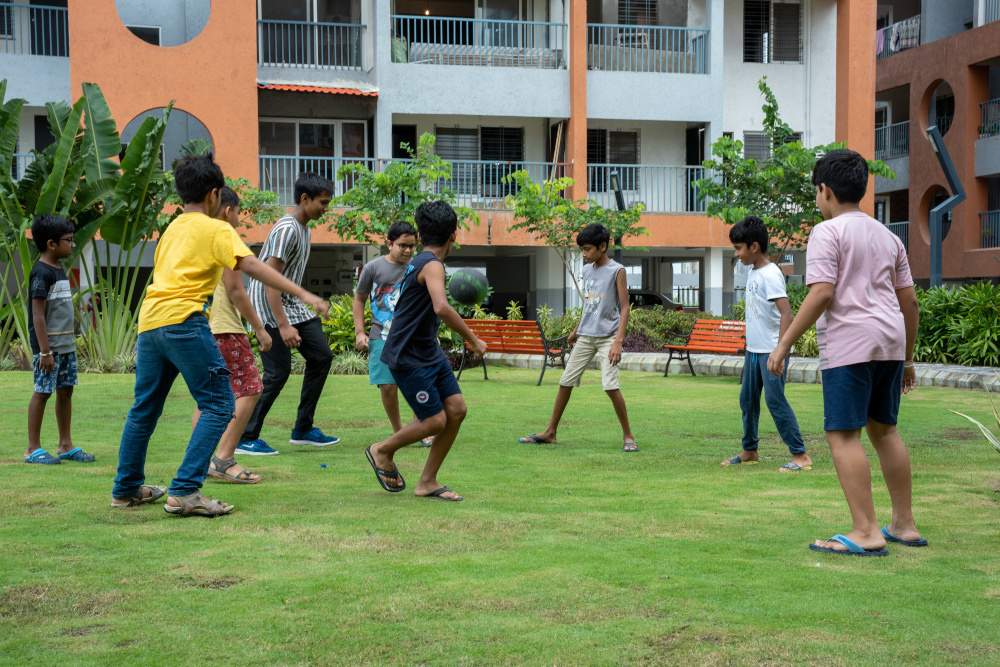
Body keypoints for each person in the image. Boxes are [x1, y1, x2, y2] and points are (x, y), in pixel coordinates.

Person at [111, 155, 330, 517]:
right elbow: (253, 267)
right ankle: (185, 490)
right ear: (214, 194)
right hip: (184, 322)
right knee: (219, 404)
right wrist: (305, 294)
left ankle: (125, 490)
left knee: (144, 409)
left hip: (150, 323)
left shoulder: (172, 229)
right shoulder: (217, 229)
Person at [767, 149, 925, 556]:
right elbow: (910, 302)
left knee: (842, 434)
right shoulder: (888, 236)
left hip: (850, 344)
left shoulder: (827, 232)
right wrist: (908, 359)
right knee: (885, 430)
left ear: (825, 190)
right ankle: (904, 524)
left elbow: (822, 292)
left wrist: (784, 343)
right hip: (890, 343)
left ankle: (866, 530)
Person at [364, 201, 487, 502]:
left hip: (427, 351)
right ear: (454, 234)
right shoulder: (431, 265)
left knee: (456, 410)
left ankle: (427, 481)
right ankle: (382, 450)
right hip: (408, 355)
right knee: (434, 421)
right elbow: (441, 307)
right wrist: (473, 339)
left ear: (419, 234)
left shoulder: (422, 262)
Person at [238, 173, 338, 456]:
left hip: (290, 302)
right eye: (323, 203)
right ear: (304, 199)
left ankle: (303, 429)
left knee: (321, 356)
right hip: (268, 304)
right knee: (277, 371)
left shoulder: (304, 229)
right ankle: (245, 436)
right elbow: (270, 279)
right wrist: (282, 325)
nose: (326, 209)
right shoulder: (287, 229)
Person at [518, 224, 637, 452]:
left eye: (588, 249)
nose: (584, 254)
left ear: (603, 246)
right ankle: (550, 432)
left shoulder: (617, 270)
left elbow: (624, 308)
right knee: (565, 381)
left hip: (609, 337)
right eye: (582, 249)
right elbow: (590, 304)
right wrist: (576, 329)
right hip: (586, 335)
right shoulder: (587, 270)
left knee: (610, 386)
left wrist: (618, 342)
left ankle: (628, 435)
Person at [191, 187, 272, 484]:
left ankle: (198, 461)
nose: (239, 218)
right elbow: (236, 290)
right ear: (227, 210)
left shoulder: (199, 237)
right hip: (226, 328)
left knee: (208, 396)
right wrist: (260, 328)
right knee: (250, 388)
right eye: (238, 212)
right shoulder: (225, 237)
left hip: (201, 326)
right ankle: (223, 459)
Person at [721, 216, 811, 472]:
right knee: (747, 400)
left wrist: (780, 352)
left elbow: (787, 314)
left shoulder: (771, 274)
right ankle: (750, 450)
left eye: (739, 248)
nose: (737, 254)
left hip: (771, 352)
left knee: (775, 401)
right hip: (753, 351)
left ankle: (800, 455)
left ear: (754, 247)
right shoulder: (753, 271)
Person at [352, 221, 433, 446]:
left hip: (414, 336)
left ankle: (419, 428)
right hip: (382, 334)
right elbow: (359, 299)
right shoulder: (373, 268)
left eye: (412, 246)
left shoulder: (418, 267)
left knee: (419, 382)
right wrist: (360, 332)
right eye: (402, 245)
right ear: (389, 243)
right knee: (388, 386)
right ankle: (399, 432)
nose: (407, 250)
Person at [24, 215, 93, 465]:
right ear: (51, 244)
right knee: (42, 392)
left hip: (65, 346)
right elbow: (38, 315)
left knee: (66, 391)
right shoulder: (41, 273)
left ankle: (65, 445)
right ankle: (32, 449)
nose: (72, 244)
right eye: (68, 240)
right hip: (49, 349)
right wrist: (45, 351)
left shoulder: (59, 269)